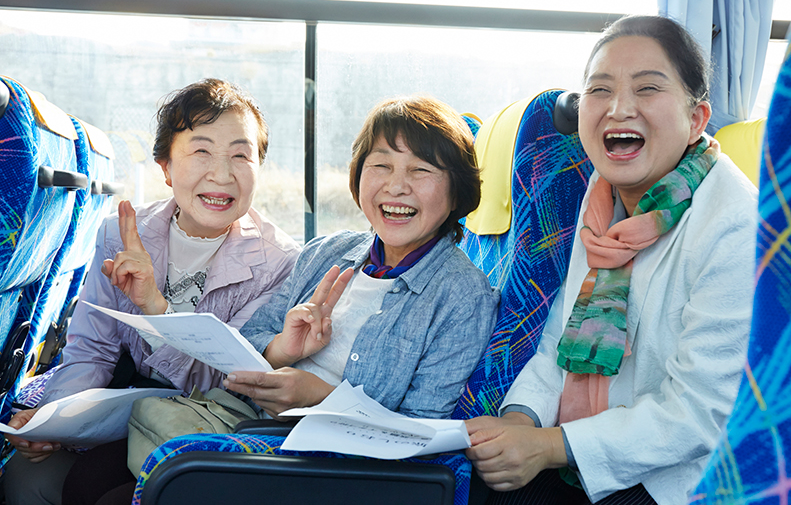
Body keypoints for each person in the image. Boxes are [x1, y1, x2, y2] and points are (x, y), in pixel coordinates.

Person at [465, 15, 758, 505]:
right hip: (584, 445)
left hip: (682, 476)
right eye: (600, 90)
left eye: (647, 89)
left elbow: (700, 413)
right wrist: (519, 422)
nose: (619, 108)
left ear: (696, 120)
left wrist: (550, 445)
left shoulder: (737, 225)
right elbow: (558, 338)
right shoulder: (598, 199)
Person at [3, 78, 300, 505]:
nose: (222, 173)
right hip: (125, 403)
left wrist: (156, 308)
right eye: (201, 152)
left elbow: (228, 380)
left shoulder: (278, 262)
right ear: (165, 167)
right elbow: (92, 349)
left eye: (241, 154)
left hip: (207, 420)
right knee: (25, 474)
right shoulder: (122, 234)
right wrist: (52, 421)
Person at [223, 95, 498, 421]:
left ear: (457, 193)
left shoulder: (463, 296)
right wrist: (284, 349)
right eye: (381, 166)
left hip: (333, 463)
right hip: (241, 422)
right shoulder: (324, 253)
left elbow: (424, 430)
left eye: (420, 170)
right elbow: (240, 352)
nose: (396, 186)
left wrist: (321, 399)